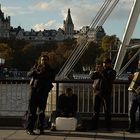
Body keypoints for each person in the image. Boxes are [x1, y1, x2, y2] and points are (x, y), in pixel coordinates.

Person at [25, 53, 55, 135]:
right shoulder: (36, 67)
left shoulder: (50, 70)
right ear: (40, 61)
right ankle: (29, 129)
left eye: (45, 60)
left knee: (42, 112)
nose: (44, 61)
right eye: (42, 60)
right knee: (32, 112)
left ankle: (40, 128)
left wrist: (41, 73)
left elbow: (51, 77)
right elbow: (28, 74)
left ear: (48, 61)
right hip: (34, 92)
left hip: (43, 92)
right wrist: (35, 71)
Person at [90, 58, 116, 131]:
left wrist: (102, 72)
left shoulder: (112, 72)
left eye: (106, 63)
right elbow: (92, 77)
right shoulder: (100, 71)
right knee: (95, 110)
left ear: (110, 64)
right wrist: (96, 71)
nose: (104, 64)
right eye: (104, 63)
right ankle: (94, 126)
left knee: (107, 111)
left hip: (106, 94)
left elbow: (109, 80)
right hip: (97, 93)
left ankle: (108, 127)